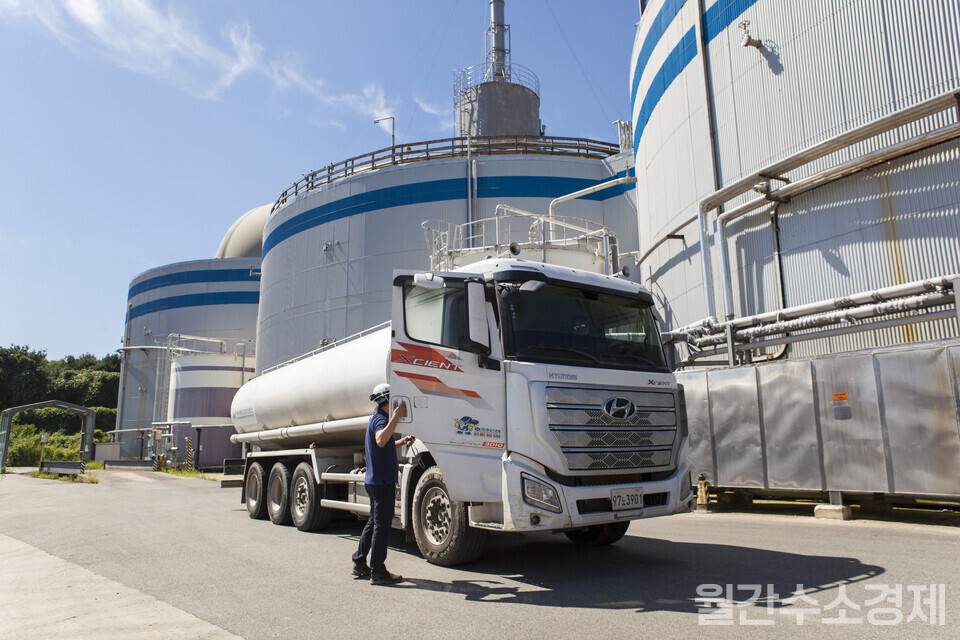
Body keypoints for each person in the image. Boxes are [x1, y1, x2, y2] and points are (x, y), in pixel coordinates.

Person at [351, 383, 414, 585]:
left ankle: (359, 561)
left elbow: (384, 443)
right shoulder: (381, 419)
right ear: (388, 400)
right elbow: (380, 439)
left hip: (375, 481)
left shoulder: (377, 418)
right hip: (381, 482)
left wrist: (401, 442)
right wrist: (396, 418)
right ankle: (378, 571)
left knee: (373, 523)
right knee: (381, 527)